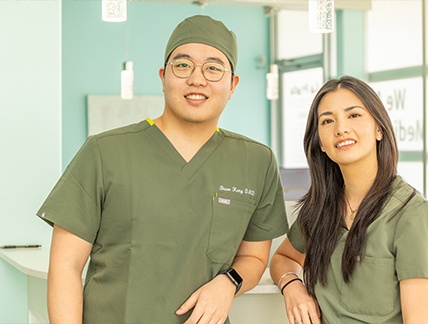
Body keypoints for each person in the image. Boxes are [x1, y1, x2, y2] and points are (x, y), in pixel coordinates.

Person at [37, 15, 288, 323]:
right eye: (183, 65)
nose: (197, 79)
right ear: (163, 76)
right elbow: (65, 266)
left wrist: (229, 282)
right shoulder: (104, 152)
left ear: (232, 84)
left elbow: (254, 256)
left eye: (213, 68)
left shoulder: (256, 161)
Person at [270, 76, 428, 324]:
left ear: (379, 129)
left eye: (354, 115)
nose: (341, 128)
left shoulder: (414, 216)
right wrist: (293, 287)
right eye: (328, 121)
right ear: (320, 143)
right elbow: (283, 258)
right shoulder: (320, 209)